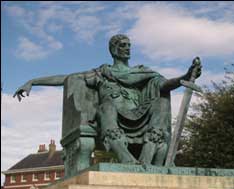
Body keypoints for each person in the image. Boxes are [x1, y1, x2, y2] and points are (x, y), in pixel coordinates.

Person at [14, 34, 201, 166]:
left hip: (140, 115)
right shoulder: (101, 73)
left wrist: (185, 75)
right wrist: (33, 81)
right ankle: (125, 157)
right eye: (122, 45)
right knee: (107, 107)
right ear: (113, 49)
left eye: (129, 46)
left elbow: (165, 85)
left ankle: (147, 157)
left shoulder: (142, 72)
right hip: (112, 116)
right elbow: (67, 78)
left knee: (161, 102)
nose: (127, 49)